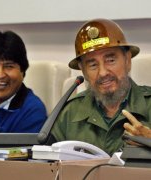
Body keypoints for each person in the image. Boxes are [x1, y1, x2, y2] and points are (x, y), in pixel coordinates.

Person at [50, 18, 151, 155]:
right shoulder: (68, 114)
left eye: (110, 60)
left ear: (127, 60)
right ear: (83, 70)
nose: (103, 72)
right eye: (92, 65)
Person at [0, 30, 47, 144]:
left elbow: (14, 158)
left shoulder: (33, 110)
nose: (0, 75)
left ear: (23, 72)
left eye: (9, 66)